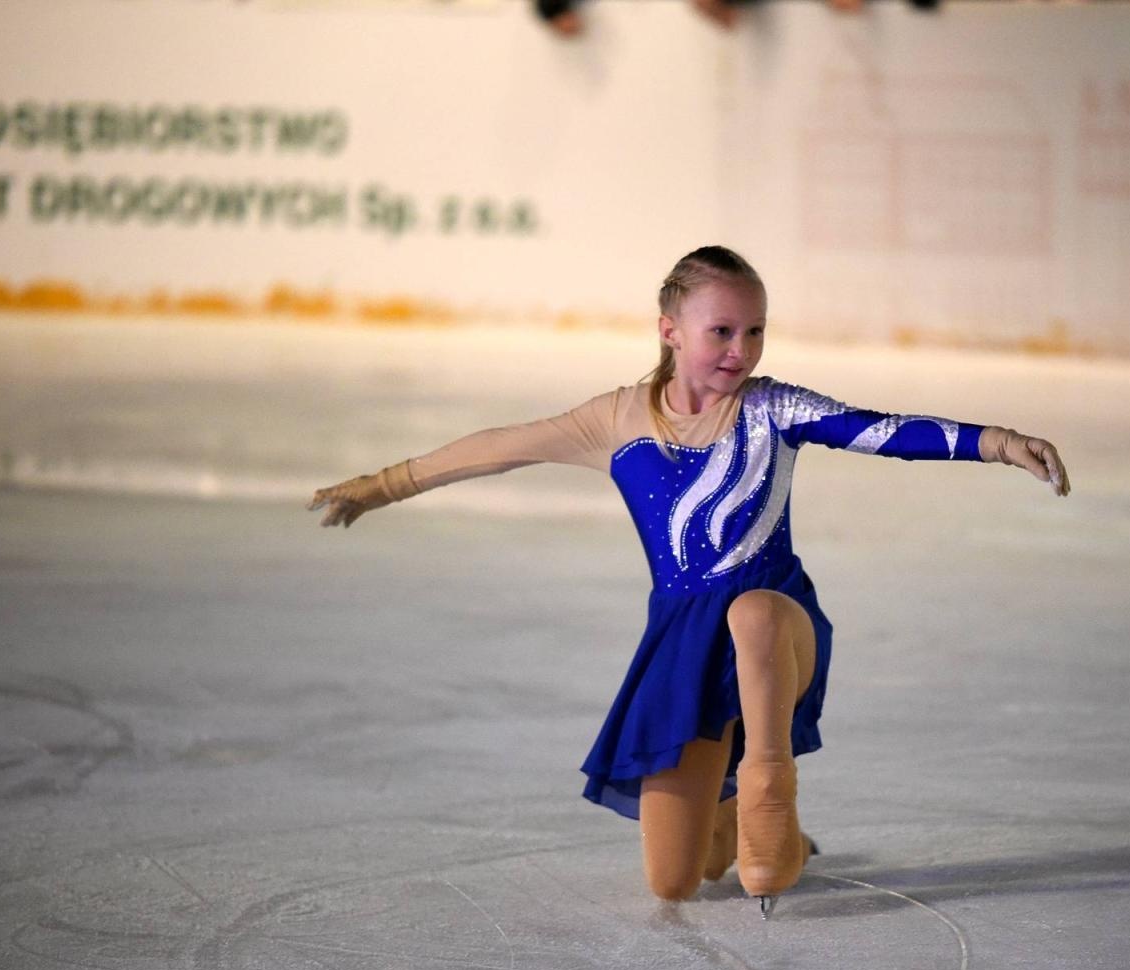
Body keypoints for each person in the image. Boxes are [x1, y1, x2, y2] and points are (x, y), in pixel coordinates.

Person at [307, 246, 1069, 917]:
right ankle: (730, 813)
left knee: (753, 613)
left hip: (779, 630)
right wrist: (382, 485)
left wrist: (999, 441)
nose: (742, 351)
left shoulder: (773, 410)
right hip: (684, 651)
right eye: (722, 331)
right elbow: (502, 446)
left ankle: (769, 794)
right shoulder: (617, 421)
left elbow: (883, 430)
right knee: (678, 881)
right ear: (670, 329)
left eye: (755, 331)